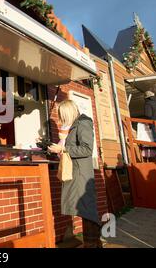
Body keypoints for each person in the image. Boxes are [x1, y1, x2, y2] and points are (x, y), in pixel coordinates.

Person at [48, 99, 101, 248]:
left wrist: (63, 150)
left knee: (87, 210)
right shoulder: (76, 124)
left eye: (63, 116)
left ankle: (91, 244)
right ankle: (93, 243)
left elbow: (86, 149)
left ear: (69, 112)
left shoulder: (83, 123)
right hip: (77, 172)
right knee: (85, 209)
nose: (62, 120)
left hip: (81, 174)